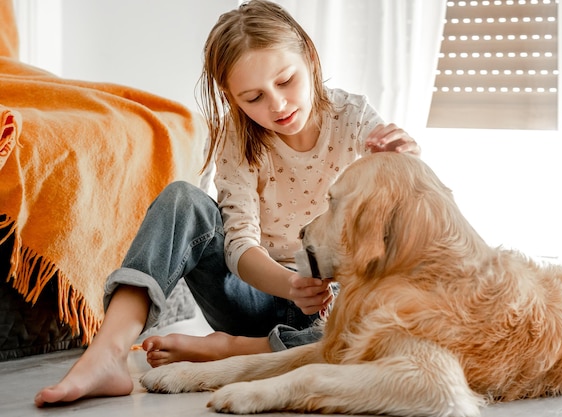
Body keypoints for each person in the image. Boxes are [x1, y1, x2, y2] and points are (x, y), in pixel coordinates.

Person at [34, 0, 420, 407]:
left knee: (383, 321)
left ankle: (231, 350)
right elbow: (238, 247)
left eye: (286, 81)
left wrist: (402, 157)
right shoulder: (238, 140)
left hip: (331, 305)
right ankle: (107, 354)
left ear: (309, 55)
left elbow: (396, 207)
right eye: (253, 97)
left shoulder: (353, 115)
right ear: (231, 97)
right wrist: (290, 285)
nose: (277, 105)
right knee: (182, 199)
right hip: (256, 296)